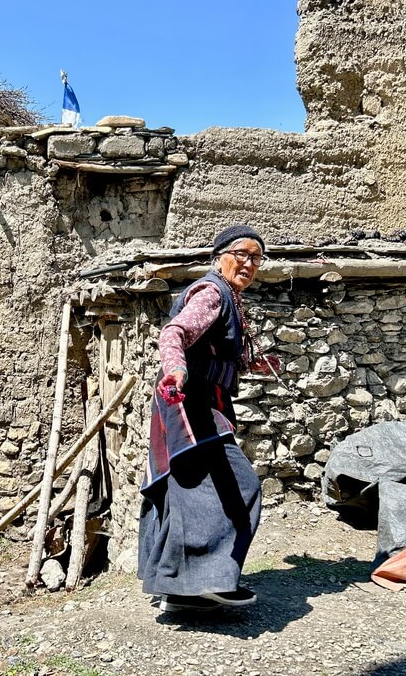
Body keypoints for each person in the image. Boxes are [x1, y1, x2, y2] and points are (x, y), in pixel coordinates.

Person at [138, 224, 277, 612]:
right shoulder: (213, 292)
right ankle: (207, 581)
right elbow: (175, 333)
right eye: (241, 254)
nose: (249, 263)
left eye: (256, 257)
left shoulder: (229, 297)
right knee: (240, 486)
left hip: (202, 401)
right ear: (219, 257)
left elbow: (218, 352)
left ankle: (181, 590)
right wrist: (176, 370)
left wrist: (255, 364)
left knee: (186, 490)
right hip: (190, 401)